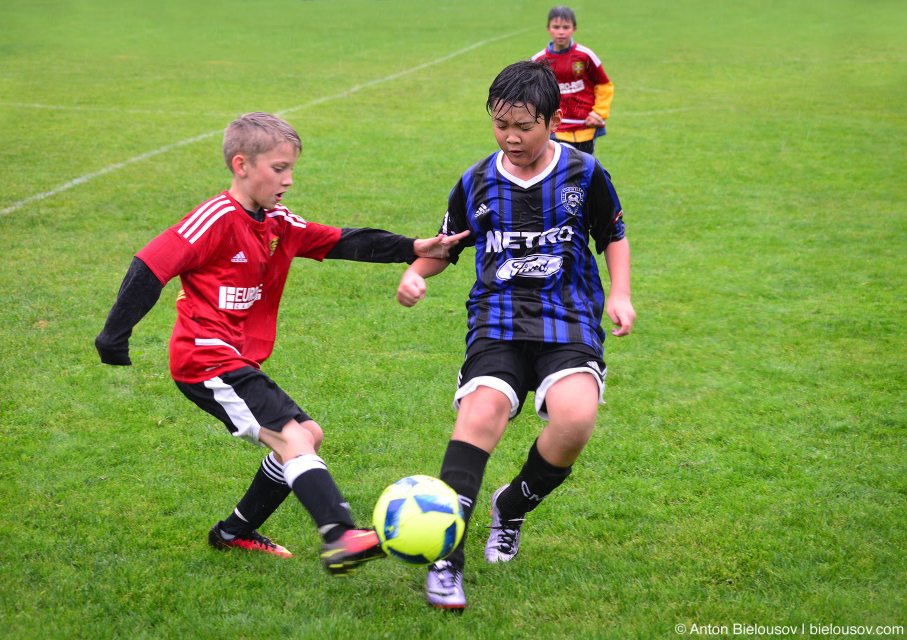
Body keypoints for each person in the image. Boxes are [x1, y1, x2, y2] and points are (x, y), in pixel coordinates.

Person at [95, 112, 466, 575]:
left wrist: (413, 247)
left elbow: (340, 241)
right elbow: (150, 266)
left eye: (292, 168)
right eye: (278, 169)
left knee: (307, 436)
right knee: (292, 437)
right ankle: (339, 534)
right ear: (241, 165)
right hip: (203, 357)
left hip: (231, 357)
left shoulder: (276, 222)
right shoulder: (214, 219)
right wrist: (114, 337)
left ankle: (233, 531)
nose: (289, 179)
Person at [396, 61, 635, 609]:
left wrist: (619, 293)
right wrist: (415, 272)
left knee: (575, 419)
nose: (511, 137)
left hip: (568, 316)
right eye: (501, 124)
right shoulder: (476, 180)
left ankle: (513, 505)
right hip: (498, 317)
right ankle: (445, 562)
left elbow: (613, 234)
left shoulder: (584, 174)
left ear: (552, 121)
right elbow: (446, 247)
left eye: (524, 126)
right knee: (479, 416)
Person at [531, 6, 614, 155]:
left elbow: (604, 86)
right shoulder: (538, 61)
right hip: (555, 128)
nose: (561, 31)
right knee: (558, 171)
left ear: (574, 29)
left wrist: (598, 114)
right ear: (548, 28)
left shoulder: (585, 56)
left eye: (566, 27)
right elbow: (532, 93)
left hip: (585, 127)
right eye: (556, 27)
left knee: (583, 171)